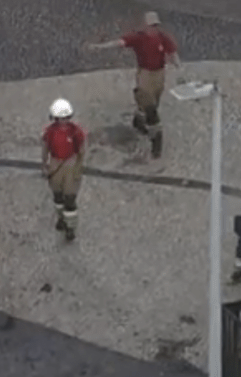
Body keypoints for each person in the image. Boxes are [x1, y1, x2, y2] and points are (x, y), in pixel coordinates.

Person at [86, 12, 179, 159]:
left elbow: (172, 51)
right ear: (146, 26)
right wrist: (100, 47)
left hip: (159, 74)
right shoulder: (138, 38)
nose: (154, 29)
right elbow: (119, 43)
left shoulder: (162, 38)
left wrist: (176, 63)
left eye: (156, 26)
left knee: (154, 100)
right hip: (145, 74)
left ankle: (139, 120)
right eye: (151, 26)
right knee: (150, 106)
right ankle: (156, 139)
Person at [41, 98, 86, 241]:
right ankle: (62, 219)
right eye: (61, 119)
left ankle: (70, 228)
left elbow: (82, 150)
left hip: (69, 165)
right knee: (58, 197)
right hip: (56, 164)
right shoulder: (50, 132)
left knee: (70, 199)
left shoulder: (75, 131)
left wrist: (78, 167)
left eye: (65, 118)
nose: (63, 122)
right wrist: (44, 164)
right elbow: (45, 148)